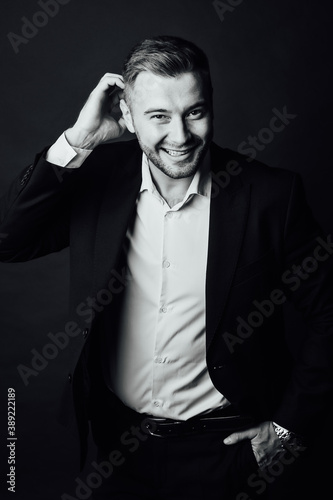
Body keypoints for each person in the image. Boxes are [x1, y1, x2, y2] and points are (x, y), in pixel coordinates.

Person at [0, 35, 332, 499]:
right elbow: (9, 241)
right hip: (117, 451)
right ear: (129, 117)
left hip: (231, 454)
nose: (180, 136)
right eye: (158, 116)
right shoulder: (96, 179)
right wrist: (79, 139)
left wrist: (286, 430)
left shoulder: (272, 197)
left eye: (194, 112)